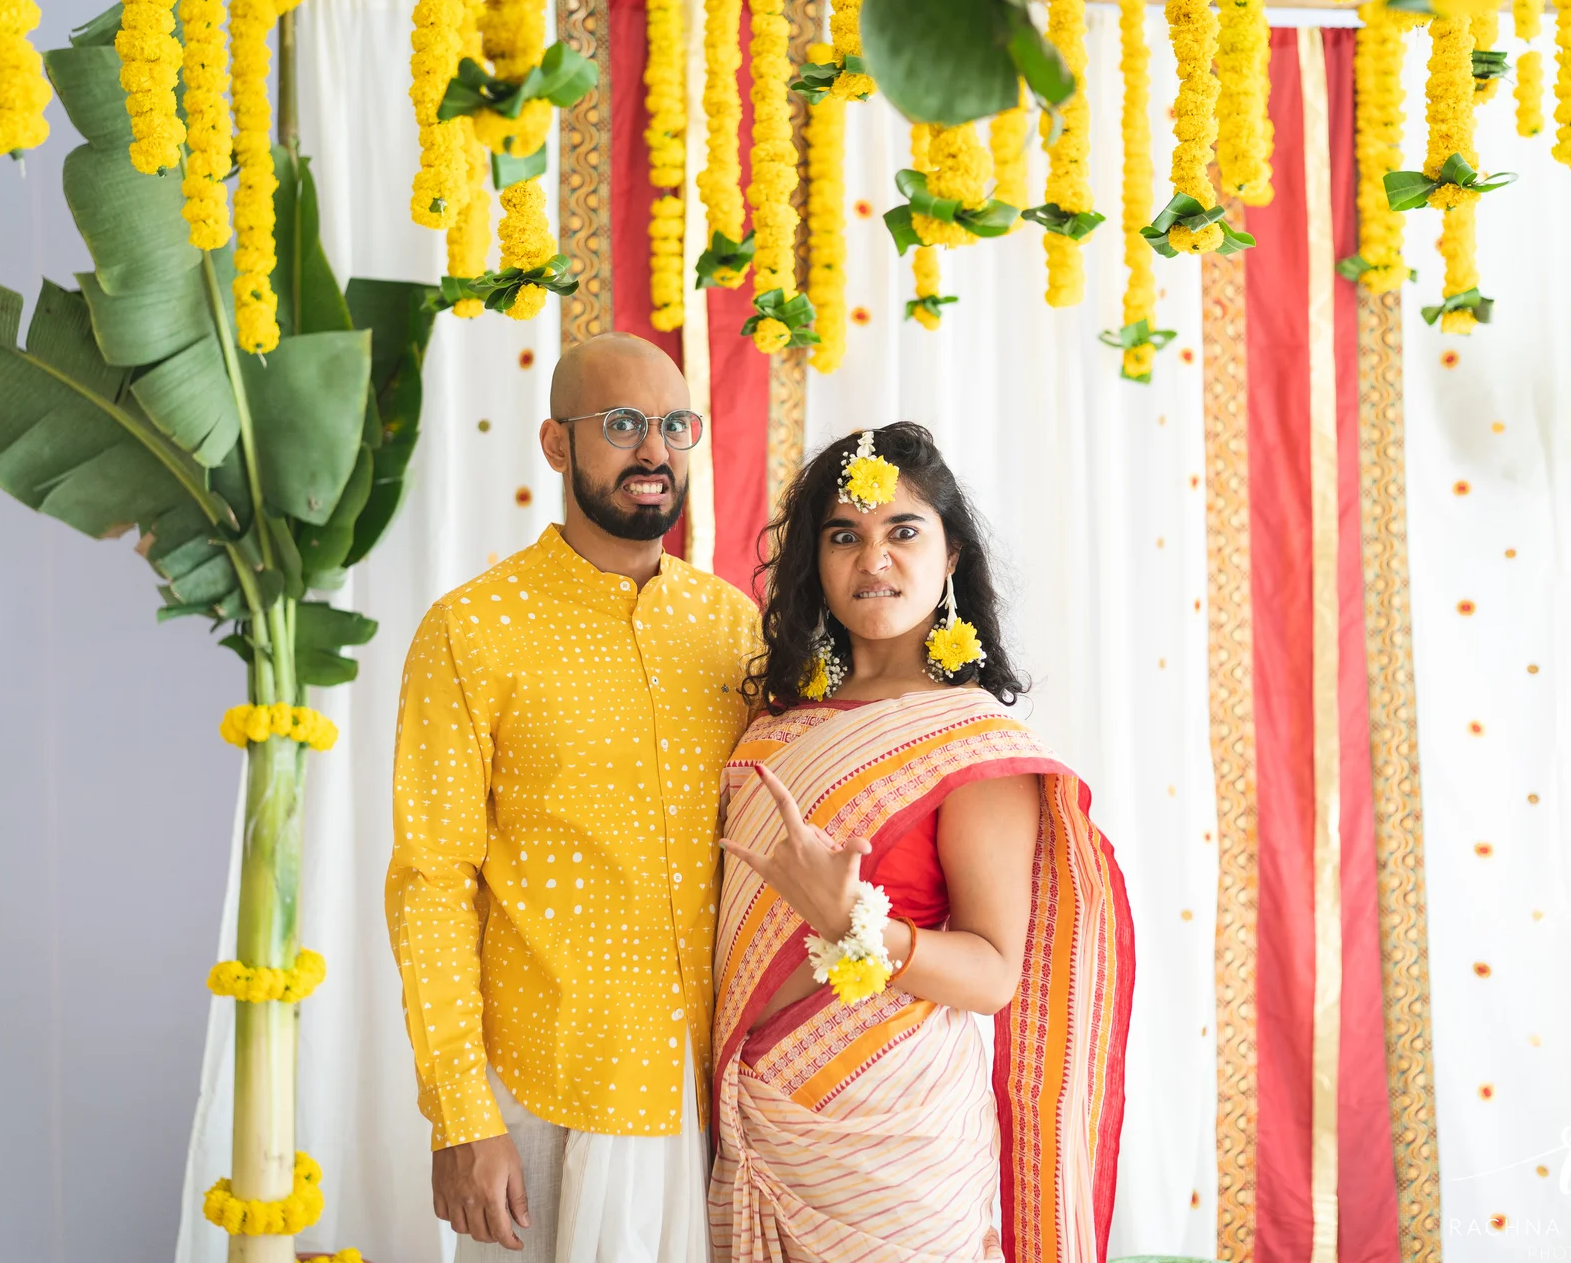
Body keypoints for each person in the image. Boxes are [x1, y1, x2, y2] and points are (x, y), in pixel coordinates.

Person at [709, 423, 1135, 1262]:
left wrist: (858, 928)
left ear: (949, 560)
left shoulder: (966, 739)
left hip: (892, 1131)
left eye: (904, 532)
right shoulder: (775, 726)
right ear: (815, 564)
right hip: (754, 1113)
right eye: (845, 536)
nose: (874, 559)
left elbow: (993, 973)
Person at [388, 333, 760, 1262]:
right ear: (556, 446)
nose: (655, 453)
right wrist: (460, 1116)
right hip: (544, 1094)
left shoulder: (732, 628)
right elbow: (433, 885)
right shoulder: (472, 631)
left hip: (720, 1102)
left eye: (677, 427)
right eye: (623, 426)